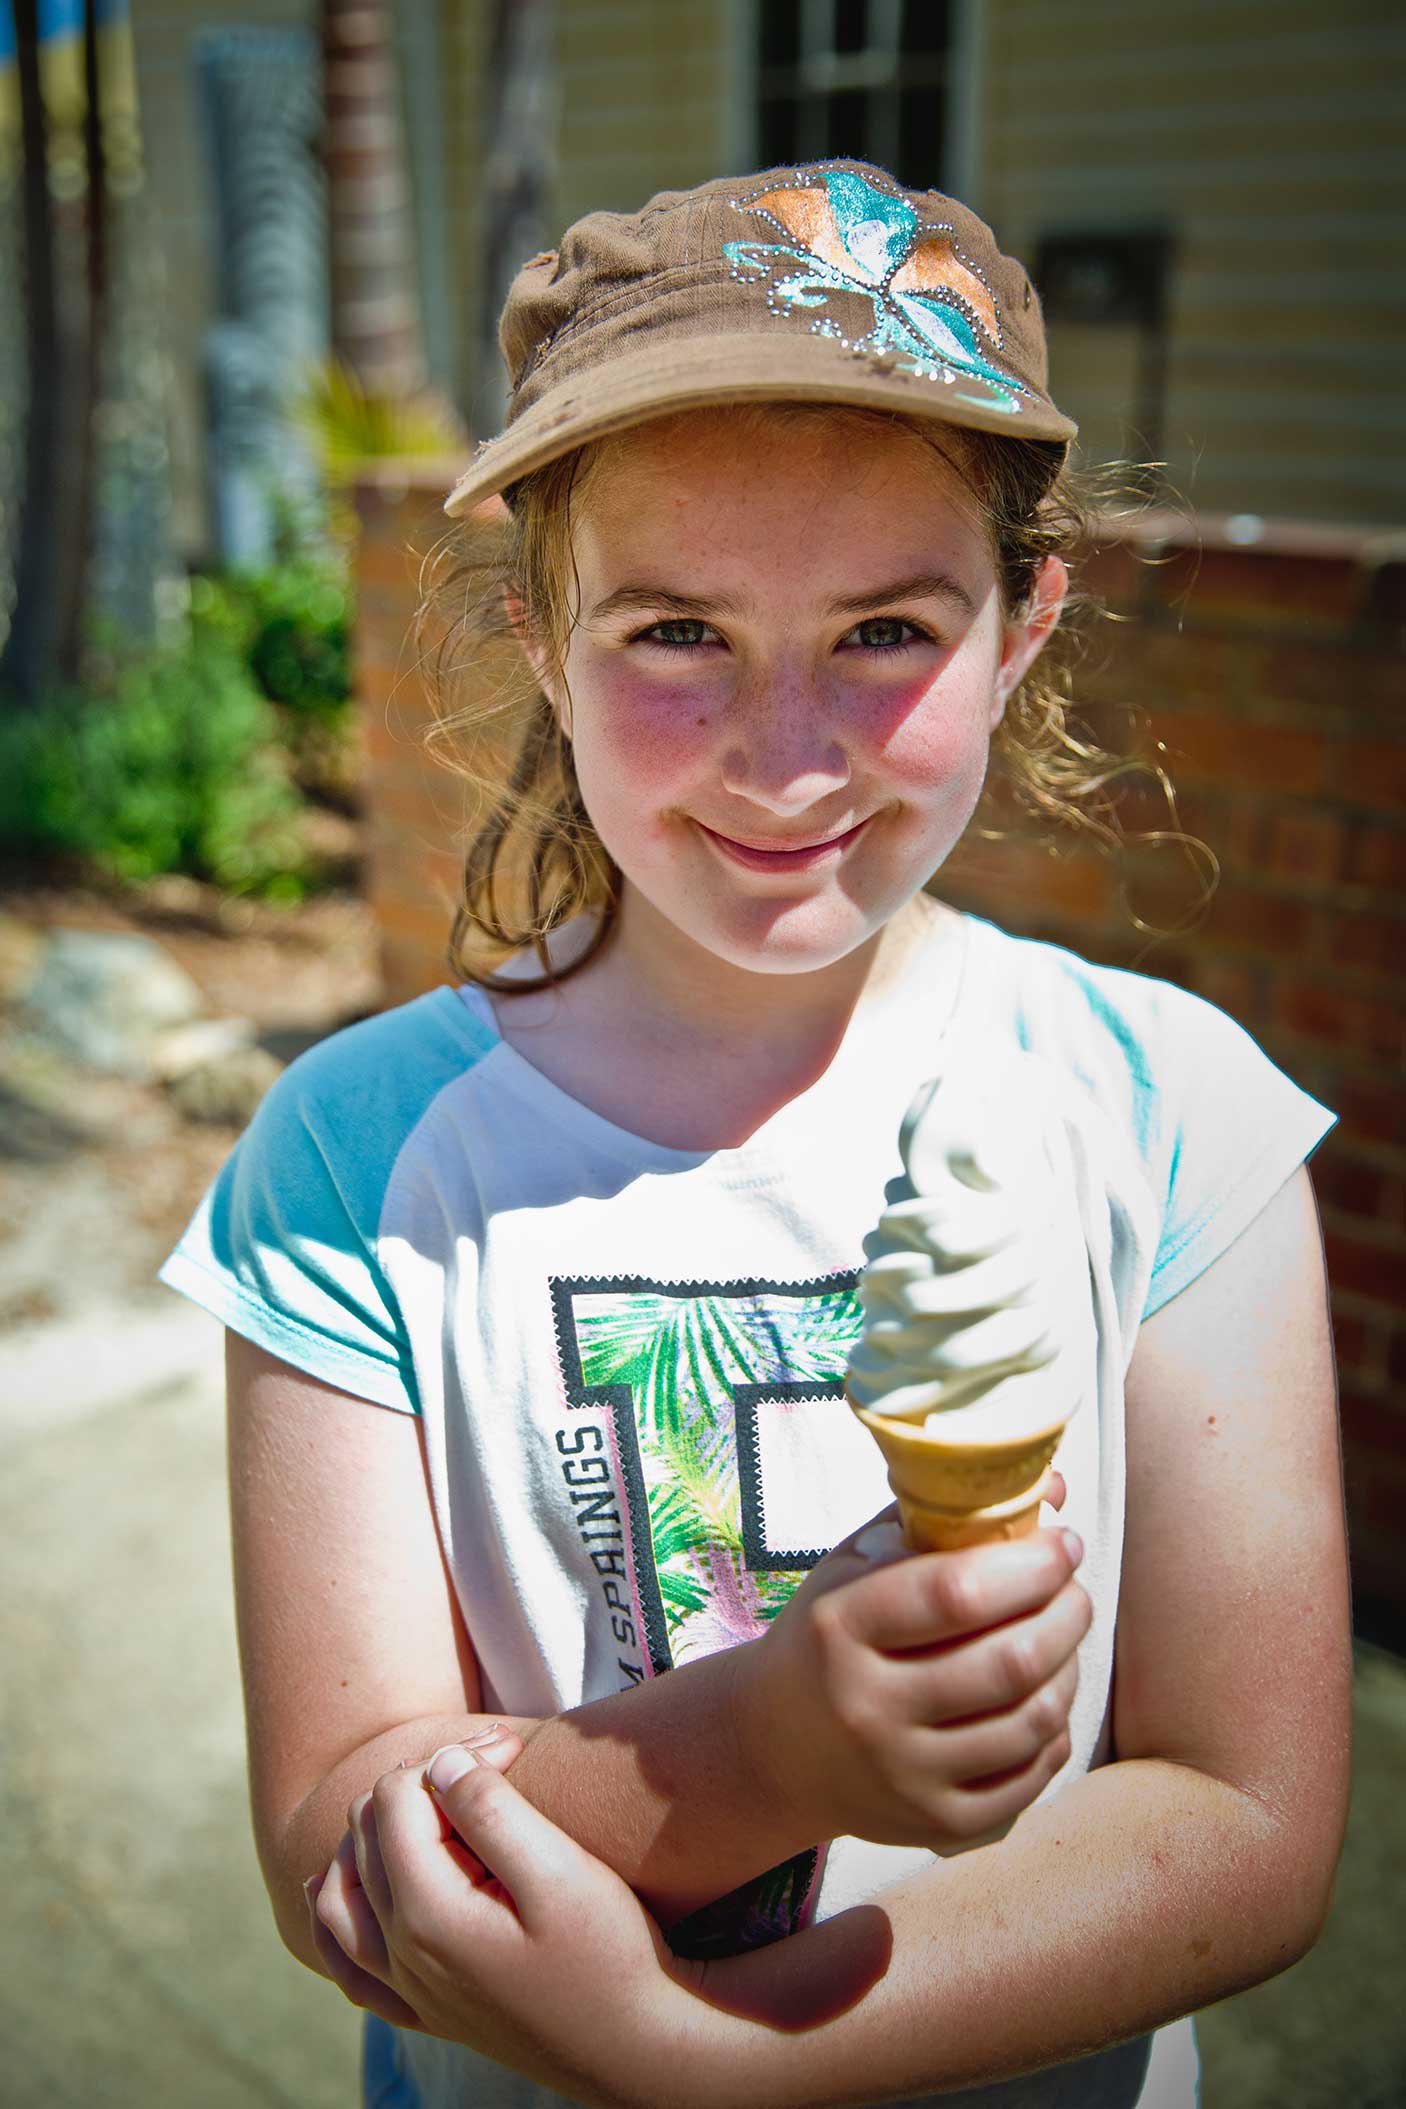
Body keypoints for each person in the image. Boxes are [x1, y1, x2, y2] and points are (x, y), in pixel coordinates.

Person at [159, 161, 1351, 2109]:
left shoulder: (1167, 1116)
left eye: (884, 628)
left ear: (1025, 618)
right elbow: (338, 1839)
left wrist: (720, 2053)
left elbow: (1241, 1822)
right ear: (539, 633)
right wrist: (773, 1748)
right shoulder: (357, 1159)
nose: (785, 754)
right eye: (672, 632)